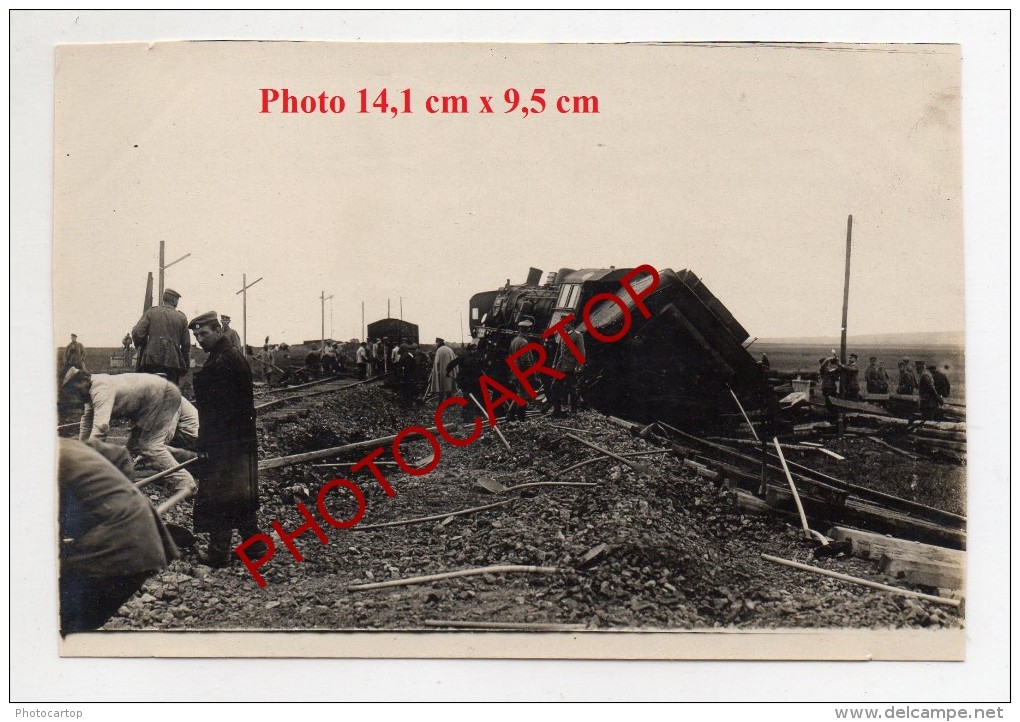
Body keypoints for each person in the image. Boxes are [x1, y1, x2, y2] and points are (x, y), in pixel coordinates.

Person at [58, 438, 178, 634]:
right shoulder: (66, 445)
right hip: (148, 541)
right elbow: (119, 455)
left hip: (114, 547)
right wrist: (119, 497)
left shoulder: (30, 463)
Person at [188, 311, 262, 567]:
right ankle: (256, 546)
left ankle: (219, 553)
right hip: (238, 439)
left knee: (218, 492)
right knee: (239, 491)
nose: (199, 339)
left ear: (218, 330)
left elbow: (215, 412)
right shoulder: (227, 356)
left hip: (225, 440)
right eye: (196, 335)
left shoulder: (223, 361)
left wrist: (206, 443)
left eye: (204, 333)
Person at [61, 367, 197, 494]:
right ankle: (190, 458)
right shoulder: (91, 390)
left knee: (151, 446)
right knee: (135, 446)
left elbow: (101, 427)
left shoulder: (100, 388)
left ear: (84, 380)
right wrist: (82, 451)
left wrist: (88, 459)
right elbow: (87, 422)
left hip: (164, 396)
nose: (76, 394)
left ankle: (186, 483)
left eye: (76, 388)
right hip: (152, 402)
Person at [132, 288, 191, 385]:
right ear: (174, 300)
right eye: (177, 300)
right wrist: (185, 364)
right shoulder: (181, 317)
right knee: (170, 394)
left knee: (150, 393)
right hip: (173, 363)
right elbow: (186, 344)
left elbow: (137, 333)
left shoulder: (151, 312)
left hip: (151, 361)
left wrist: (142, 346)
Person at [550, 319, 586, 416]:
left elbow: (581, 353)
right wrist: (554, 364)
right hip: (560, 366)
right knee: (555, 387)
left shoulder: (577, 335)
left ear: (570, 324)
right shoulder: (562, 335)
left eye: (564, 324)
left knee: (572, 389)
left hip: (570, 367)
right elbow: (558, 352)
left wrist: (578, 366)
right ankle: (556, 410)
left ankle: (573, 411)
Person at [447, 343, 484, 423]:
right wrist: (447, 371)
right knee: (468, 399)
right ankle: (467, 418)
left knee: (470, 399)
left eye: (475, 349)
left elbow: (452, 364)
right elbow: (452, 364)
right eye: (473, 349)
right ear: (470, 350)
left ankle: (469, 416)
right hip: (467, 382)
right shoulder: (468, 357)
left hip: (470, 382)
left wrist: (448, 371)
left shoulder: (471, 356)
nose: (475, 350)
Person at [506, 320, 535, 421]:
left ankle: (509, 416)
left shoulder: (514, 341)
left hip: (514, 372)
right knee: (524, 396)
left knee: (520, 394)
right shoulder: (524, 342)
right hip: (522, 374)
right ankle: (521, 418)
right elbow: (525, 360)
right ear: (527, 330)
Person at [430, 338, 458, 404]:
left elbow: (437, 362)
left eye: (436, 343)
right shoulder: (450, 349)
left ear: (439, 343)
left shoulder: (439, 350)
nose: (436, 344)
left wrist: (437, 370)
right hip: (450, 371)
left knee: (441, 387)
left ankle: (440, 402)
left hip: (442, 371)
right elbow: (454, 360)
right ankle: (450, 402)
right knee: (449, 387)